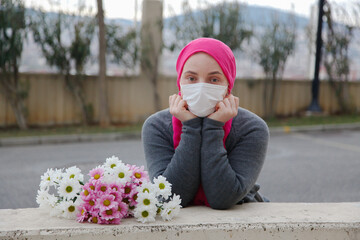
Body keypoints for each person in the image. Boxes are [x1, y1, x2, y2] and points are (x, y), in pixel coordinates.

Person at [142, 38, 269, 210]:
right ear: (180, 80)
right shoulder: (156, 126)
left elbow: (223, 198)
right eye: (192, 78)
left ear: (228, 84)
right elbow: (169, 196)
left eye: (214, 80)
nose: (201, 87)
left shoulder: (252, 128)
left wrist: (214, 127)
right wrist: (191, 127)